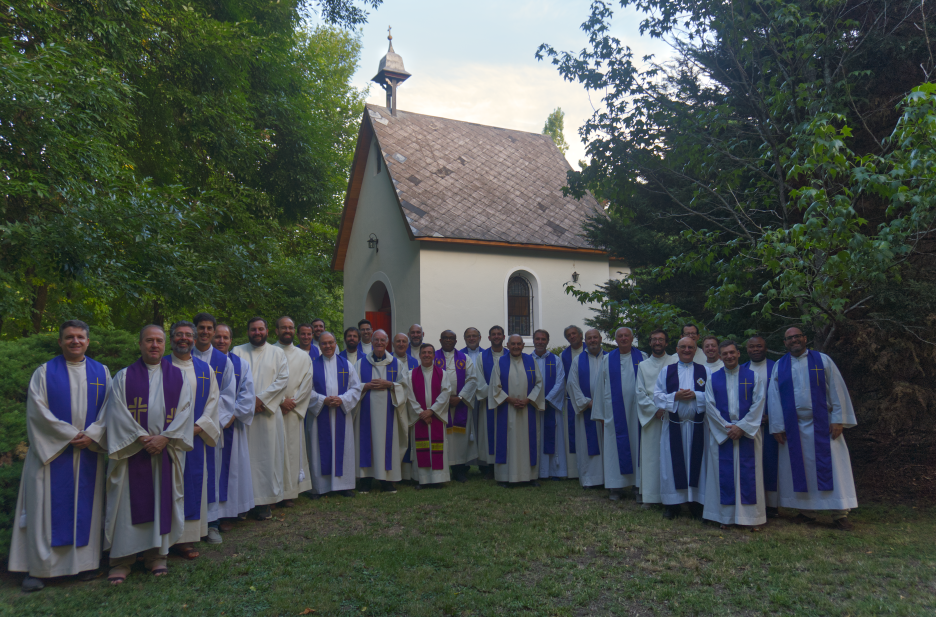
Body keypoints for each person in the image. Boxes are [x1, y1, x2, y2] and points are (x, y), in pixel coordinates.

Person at [9, 320, 111, 592]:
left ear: (88, 341)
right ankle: (39, 570)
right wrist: (69, 435)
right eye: (69, 337)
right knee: (43, 510)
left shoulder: (102, 372)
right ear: (60, 342)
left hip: (88, 453)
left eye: (80, 337)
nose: (75, 341)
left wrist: (93, 435)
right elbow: (37, 413)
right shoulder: (43, 373)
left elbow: (110, 412)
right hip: (51, 456)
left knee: (85, 510)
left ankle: (84, 565)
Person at [104, 325, 193, 584]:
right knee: (125, 506)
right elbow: (116, 411)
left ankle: (157, 556)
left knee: (161, 502)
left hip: (165, 452)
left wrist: (165, 438)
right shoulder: (123, 377)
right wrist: (142, 439)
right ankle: (121, 560)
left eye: (159, 341)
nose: (154, 345)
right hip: (133, 453)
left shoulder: (178, 377)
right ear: (140, 343)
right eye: (149, 341)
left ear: (165, 345)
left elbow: (186, 411)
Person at [768, 327, 858, 530]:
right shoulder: (780, 366)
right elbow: (774, 398)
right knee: (802, 470)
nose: (794, 341)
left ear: (805, 339)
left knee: (833, 467)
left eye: (797, 337)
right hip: (794, 427)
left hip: (823, 425)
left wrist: (838, 419)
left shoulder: (823, 360)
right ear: (785, 343)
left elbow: (837, 389)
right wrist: (777, 426)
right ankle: (807, 512)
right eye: (789, 338)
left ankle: (840, 513)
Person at [168, 321, 221, 560]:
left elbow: (213, 400)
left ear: (194, 339)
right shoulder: (161, 366)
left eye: (188, 335)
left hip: (195, 439)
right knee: (167, 487)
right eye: (179, 335)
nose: (184, 339)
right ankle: (163, 537)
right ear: (171, 339)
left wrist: (200, 427)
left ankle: (186, 538)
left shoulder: (204, 369)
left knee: (192, 484)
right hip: (167, 441)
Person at [703, 340, 766, 530]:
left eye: (732, 352)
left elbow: (758, 404)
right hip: (723, 434)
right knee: (723, 475)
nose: (729, 356)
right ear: (720, 357)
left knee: (750, 475)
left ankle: (751, 519)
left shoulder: (753, 377)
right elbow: (710, 407)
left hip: (747, 435)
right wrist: (727, 428)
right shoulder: (713, 378)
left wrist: (743, 427)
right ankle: (726, 517)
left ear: (739, 354)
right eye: (725, 354)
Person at [232, 317, 289, 520]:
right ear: (248, 331)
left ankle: (264, 502)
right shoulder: (237, 352)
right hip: (244, 417)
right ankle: (242, 504)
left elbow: (283, 380)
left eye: (260, 329)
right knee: (244, 460)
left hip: (267, 416)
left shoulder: (277, 353)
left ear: (267, 331)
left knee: (267, 458)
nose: (257, 332)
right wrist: (248, 403)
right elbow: (231, 381)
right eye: (253, 329)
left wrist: (261, 400)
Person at [191, 313, 237, 544]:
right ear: (194, 330)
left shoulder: (223, 361)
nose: (206, 332)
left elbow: (228, 396)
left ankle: (211, 523)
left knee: (212, 474)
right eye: (202, 327)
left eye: (210, 328)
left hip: (209, 431)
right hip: (183, 430)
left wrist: (206, 424)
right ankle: (186, 527)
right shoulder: (181, 356)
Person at [654, 337, 707, 519]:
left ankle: (696, 503)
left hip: (696, 427)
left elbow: (714, 397)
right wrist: (675, 396)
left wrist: (696, 396)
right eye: (683, 347)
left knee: (697, 465)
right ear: (676, 349)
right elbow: (657, 396)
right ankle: (672, 504)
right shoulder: (666, 371)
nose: (686, 350)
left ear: (695, 350)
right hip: (674, 426)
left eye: (690, 347)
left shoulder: (704, 371)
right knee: (671, 464)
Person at [307, 332, 363, 498]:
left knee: (343, 447)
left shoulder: (345, 364)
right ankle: (319, 487)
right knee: (318, 449)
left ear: (335, 343)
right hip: (319, 417)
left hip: (341, 415)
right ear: (319, 345)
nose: (328, 346)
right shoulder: (311, 366)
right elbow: (305, 390)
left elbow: (356, 388)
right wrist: (322, 400)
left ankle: (344, 485)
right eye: (324, 343)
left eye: (330, 343)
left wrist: (342, 399)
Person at [592, 327, 645, 501]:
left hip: (638, 412)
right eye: (620, 336)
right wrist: (600, 413)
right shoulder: (608, 359)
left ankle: (639, 485)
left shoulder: (643, 357)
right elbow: (600, 386)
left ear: (632, 338)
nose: (623, 338)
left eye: (626, 335)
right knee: (614, 447)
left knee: (638, 446)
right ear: (616, 339)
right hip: (614, 413)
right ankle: (615, 485)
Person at [211, 324, 255, 529]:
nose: (221, 341)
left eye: (225, 337)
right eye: (217, 337)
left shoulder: (241, 364)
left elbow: (247, 392)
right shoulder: (202, 360)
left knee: (232, 470)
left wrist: (232, 415)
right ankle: (209, 516)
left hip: (232, 426)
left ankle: (229, 512)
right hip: (206, 427)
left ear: (231, 340)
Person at [354, 330, 408, 493]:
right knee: (366, 442)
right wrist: (366, 386)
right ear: (371, 341)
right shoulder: (360, 363)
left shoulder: (396, 364)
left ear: (387, 343)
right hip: (365, 412)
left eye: (382, 340)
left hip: (388, 413)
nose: (379, 343)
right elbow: (353, 387)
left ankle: (387, 480)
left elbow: (405, 387)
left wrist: (390, 384)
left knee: (387, 444)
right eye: (376, 340)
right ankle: (365, 480)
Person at [488, 335, 546, 487]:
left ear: (523, 345)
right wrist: (509, 400)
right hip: (507, 410)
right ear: (507, 344)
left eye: (518, 344)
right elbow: (495, 386)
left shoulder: (531, 361)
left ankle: (530, 476)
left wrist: (529, 399)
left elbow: (539, 383)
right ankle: (505, 477)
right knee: (507, 441)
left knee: (529, 441)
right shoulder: (500, 362)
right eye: (512, 344)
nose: (515, 346)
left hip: (528, 410)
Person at [272, 316, 314, 507]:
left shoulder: (303, 356)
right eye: (283, 328)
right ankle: (272, 492)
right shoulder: (269, 352)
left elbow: (307, 383)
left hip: (293, 411)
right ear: (276, 331)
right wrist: (280, 402)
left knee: (291, 450)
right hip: (271, 410)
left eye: (290, 327)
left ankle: (289, 492)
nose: (287, 330)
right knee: (272, 451)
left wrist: (292, 403)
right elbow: (264, 382)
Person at [635, 330, 677, 509]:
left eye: (661, 339)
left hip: (672, 415)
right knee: (651, 457)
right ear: (650, 343)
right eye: (654, 339)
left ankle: (674, 497)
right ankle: (651, 497)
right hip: (652, 418)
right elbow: (639, 392)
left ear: (666, 343)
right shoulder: (643, 366)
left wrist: (667, 407)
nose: (658, 342)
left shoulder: (675, 362)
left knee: (671, 456)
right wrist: (655, 410)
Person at [404, 343, 453, 489]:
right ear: (419, 355)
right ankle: (422, 479)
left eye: (429, 352)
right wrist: (421, 413)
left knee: (437, 447)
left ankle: (438, 479)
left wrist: (431, 411)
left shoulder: (442, 373)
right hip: (420, 418)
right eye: (424, 352)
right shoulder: (410, 374)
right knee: (421, 447)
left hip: (435, 417)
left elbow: (446, 393)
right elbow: (409, 396)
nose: (426, 355)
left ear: (434, 355)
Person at [743, 335, 779, 517]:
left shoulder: (777, 367)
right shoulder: (742, 369)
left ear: (766, 348)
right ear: (747, 349)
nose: (755, 349)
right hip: (750, 427)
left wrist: (772, 417)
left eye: (759, 346)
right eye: (752, 347)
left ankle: (772, 504)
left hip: (772, 425)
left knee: (771, 463)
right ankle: (753, 500)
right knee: (752, 464)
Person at [435, 330, 478, 482]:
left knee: (458, 440)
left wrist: (460, 397)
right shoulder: (432, 357)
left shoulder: (464, 358)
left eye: (451, 338)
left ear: (456, 341)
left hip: (459, 404)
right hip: (440, 405)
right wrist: (444, 399)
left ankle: (459, 471)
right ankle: (441, 470)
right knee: (442, 438)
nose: (448, 340)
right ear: (440, 340)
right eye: (445, 338)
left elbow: (472, 379)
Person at [567, 329, 606, 489]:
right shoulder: (578, 360)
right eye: (589, 338)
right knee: (586, 444)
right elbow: (572, 384)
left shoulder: (610, 358)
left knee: (607, 444)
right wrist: (586, 402)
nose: (592, 340)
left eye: (595, 337)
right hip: (587, 411)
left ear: (600, 339)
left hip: (607, 413)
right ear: (585, 340)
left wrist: (606, 404)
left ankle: (609, 478)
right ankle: (590, 479)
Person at [531, 330, 568, 480]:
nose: (540, 341)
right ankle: (536, 470)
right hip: (532, 407)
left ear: (547, 341)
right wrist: (534, 400)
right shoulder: (527, 360)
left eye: (543, 339)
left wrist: (547, 400)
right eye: (537, 339)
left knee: (553, 437)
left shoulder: (556, 360)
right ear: (533, 341)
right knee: (535, 437)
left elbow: (561, 382)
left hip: (550, 406)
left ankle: (554, 471)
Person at [476, 326, 507, 478]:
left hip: (507, 404)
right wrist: (495, 395)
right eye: (493, 334)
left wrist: (505, 397)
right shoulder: (482, 357)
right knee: (488, 434)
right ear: (488, 338)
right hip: (488, 404)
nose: (496, 336)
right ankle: (489, 467)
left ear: (503, 336)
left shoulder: (511, 355)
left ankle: (505, 463)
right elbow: (479, 380)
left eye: (499, 334)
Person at [558, 326, 584, 480]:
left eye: (574, 333)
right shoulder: (563, 355)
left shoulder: (593, 351)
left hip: (591, 401)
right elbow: (562, 379)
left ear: (581, 335)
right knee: (573, 435)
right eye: (569, 335)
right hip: (571, 401)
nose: (572, 336)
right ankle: (574, 471)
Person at [393, 332, 420, 481]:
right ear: (393, 344)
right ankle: (396, 470)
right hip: (394, 406)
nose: (401, 344)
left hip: (411, 405)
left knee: (409, 438)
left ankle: (408, 474)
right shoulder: (388, 360)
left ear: (408, 344)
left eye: (404, 341)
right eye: (398, 341)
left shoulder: (415, 362)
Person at [461, 327, 485, 471]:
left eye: (474, 336)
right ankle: (464, 464)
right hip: (465, 398)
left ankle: (484, 464)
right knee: (465, 430)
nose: (471, 338)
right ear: (465, 339)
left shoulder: (486, 354)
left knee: (482, 430)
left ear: (479, 337)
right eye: (468, 336)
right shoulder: (459, 355)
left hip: (483, 398)